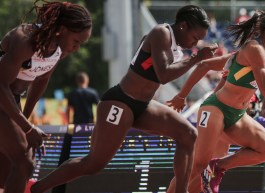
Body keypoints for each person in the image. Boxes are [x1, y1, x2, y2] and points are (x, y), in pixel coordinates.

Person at [31, 5, 217, 193]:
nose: (195, 44)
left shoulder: (174, 44)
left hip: (142, 106)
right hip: (120, 102)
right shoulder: (161, 33)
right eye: (195, 38)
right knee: (93, 163)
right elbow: (164, 75)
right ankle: (37, 188)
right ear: (183, 26)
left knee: (188, 134)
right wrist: (196, 59)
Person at [166, 9, 265, 193]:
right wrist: (181, 96)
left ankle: (219, 167)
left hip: (237, 116)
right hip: (216, 109)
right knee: (198, 166)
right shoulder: (253, 49)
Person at [0, 1, 92, 193]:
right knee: (25, 161)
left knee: (9, 169)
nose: (76, 49)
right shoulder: (25, 40)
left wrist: (25, 118)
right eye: (76, 42)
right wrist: (26, 128)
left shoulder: (60, 50)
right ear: (63, 30)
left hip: (10, 99)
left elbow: (41, 80)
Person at [52, 72, 100, 193]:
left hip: (76, 125)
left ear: (77, 81)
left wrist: (69, 122)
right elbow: (99, 106)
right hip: (89, 125)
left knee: (73, 151)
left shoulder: (73, 93)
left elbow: (68, 109)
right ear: (86, 81)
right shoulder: (92, 92)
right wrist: (97, 122)